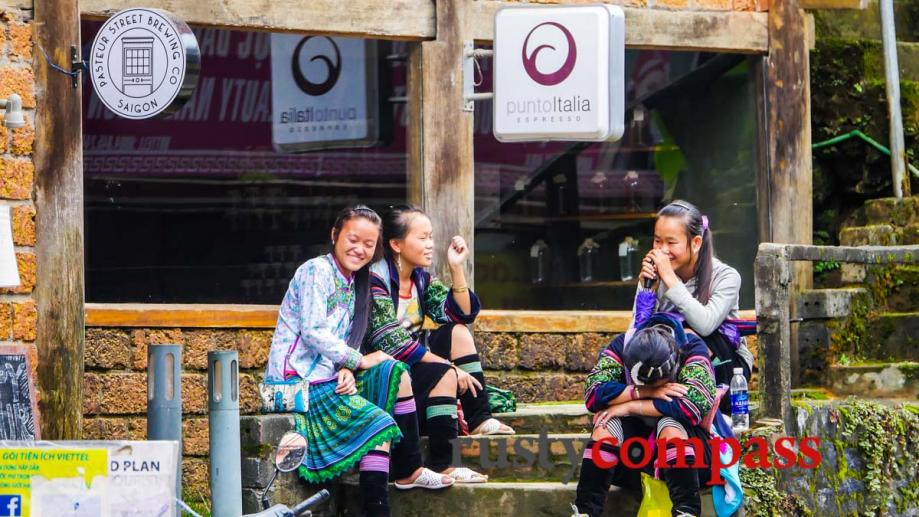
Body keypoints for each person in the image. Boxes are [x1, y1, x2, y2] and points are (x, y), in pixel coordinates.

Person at [264, 205, 452, 517]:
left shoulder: (355, 281)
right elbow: (312, 331)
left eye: (368, 244)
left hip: (327, 378)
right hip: (294, 384)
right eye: (353, 239)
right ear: (335, 235)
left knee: (396, 372)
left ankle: (409, 472)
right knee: (378, 426)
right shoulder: (316, 271)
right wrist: (357, 360)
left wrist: (347, 367)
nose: (359, 249)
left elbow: (344, 339)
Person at [365, 204, 514, 483]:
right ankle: (444, 463)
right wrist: (449, 367)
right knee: (444, 373)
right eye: (422, 238)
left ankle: (479, 417)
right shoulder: (376, 279)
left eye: (431, 237)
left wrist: (456, 269)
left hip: (416, 362)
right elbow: (392, 343)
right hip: (385, 370)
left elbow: (461, 313)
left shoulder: (420, 279)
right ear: (396, 244)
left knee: (457, 332)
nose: (430, 244)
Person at [574, 313, 719, 517]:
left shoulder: (690, 347)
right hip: (634, 459)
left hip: (689, 461)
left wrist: (630, 407)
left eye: (658, 385)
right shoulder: (622, 346)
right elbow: (593, 394)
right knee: (606, 427)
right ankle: (585, 512)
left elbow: (692, 405)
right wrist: (644, 392)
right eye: (644, 384)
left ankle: (687, 512)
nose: (651, 388)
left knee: (670, 424)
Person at [635, 200, 753, 411]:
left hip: (726, 369)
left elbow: (706, 324)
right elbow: (637, 335)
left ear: (696, 243)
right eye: (657, 241)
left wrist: (669, 279)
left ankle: (696, 404)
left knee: (689, 334)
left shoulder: (726, 276)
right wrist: (647, 292)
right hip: (669, 368)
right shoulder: (653, 276)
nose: (662, 251)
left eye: (671, 243)